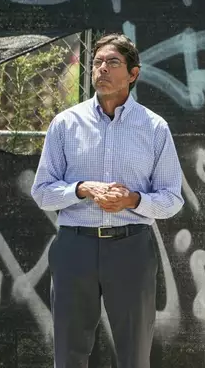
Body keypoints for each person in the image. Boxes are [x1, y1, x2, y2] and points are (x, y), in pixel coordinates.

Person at [31, 33, 184, 368]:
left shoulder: (154, 128)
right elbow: (42, 191)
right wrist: (81, 188)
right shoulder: (65, 124)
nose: (102, 69)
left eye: (113, 62)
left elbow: (173, 198)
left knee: (134, 354)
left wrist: (133, 199)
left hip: (131, 249)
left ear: (133, 74)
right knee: (69, 352)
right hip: (75, 248)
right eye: (97, 63)